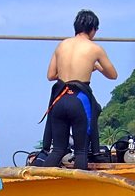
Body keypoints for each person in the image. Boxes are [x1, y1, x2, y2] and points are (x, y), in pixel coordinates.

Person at [37, 10, 117, 170]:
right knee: (81, 152)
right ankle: (80, 186)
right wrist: (95, 66)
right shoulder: (95, 48)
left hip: (59, 99)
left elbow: (51, 75)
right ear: (93, 29)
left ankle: (41, 179)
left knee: (58, 150)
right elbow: (113, 75)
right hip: (79, 100)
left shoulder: (62, 45)